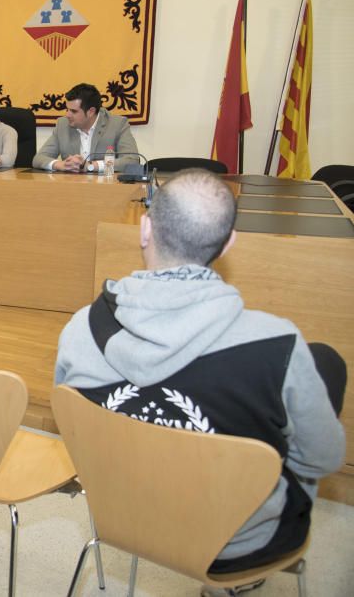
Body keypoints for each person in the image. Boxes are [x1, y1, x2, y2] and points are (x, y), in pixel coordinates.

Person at [54, 169, 346, 578]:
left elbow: (74, 434)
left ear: (144, 229)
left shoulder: (81, 328)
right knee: (325, 363)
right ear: (228, 243)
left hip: (124, 517)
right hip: (242, 544)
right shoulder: (277, 344)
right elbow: (322, 458)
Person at [32, 83, 139, 173]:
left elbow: (132, 161)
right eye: (67, 109)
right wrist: (60, 165)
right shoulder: (62, 124)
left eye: (73, 111)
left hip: (106, 191)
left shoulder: (117, 124)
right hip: (71, 189)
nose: (67, 115)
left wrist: (91, 166)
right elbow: (38, 159)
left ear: (91, 111)